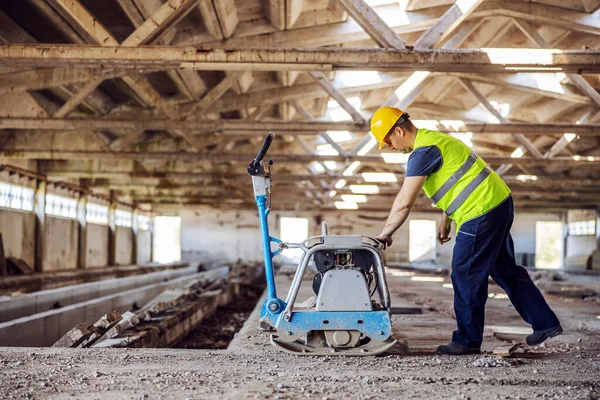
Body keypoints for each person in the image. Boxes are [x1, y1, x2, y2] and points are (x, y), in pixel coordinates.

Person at [371, 106, 562, 355]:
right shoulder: (434, 140)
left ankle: (467, 341)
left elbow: (404, 202)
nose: (389, 147)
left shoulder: (422, 152)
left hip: (480, 212)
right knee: (504, 269)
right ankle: (545, 322)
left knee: (465, 274)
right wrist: (446, 218)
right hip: (498, 203)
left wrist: (385, 232)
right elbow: (456, 180)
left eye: (388, 140)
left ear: (398, 130)